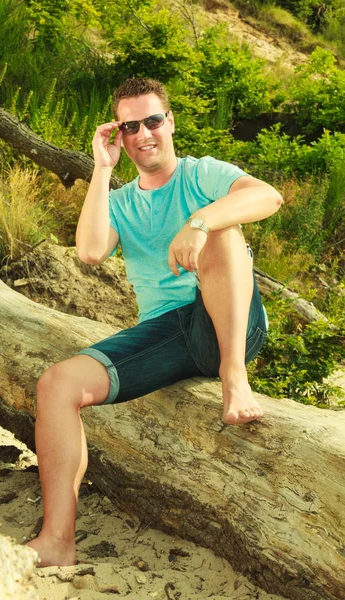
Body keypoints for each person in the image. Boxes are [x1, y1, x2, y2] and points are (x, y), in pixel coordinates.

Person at [26, 78, 283, 567]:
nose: (144, 133)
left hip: (226, 323)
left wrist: (200, 222)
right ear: (119, 136)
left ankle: (235, 378)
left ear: (170, 123)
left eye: (152, 120)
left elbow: (267, 196)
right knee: (57, 384)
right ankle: (58, 540)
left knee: (225, 232)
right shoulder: (121, 202)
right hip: (167, 332)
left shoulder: (201, 174)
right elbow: (90, 251)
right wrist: (102, 171)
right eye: (130, 126)